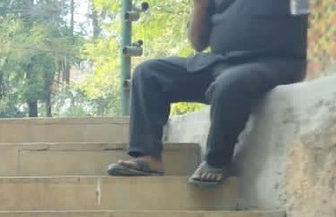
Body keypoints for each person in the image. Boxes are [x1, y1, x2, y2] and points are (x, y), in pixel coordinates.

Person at [106, 0, 308, 187]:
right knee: (148, 73)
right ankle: (148, 157)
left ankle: (217, 161)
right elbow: (198, 43)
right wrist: (200, 5)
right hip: (220, 61)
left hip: (272, 62)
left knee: (229, 84)